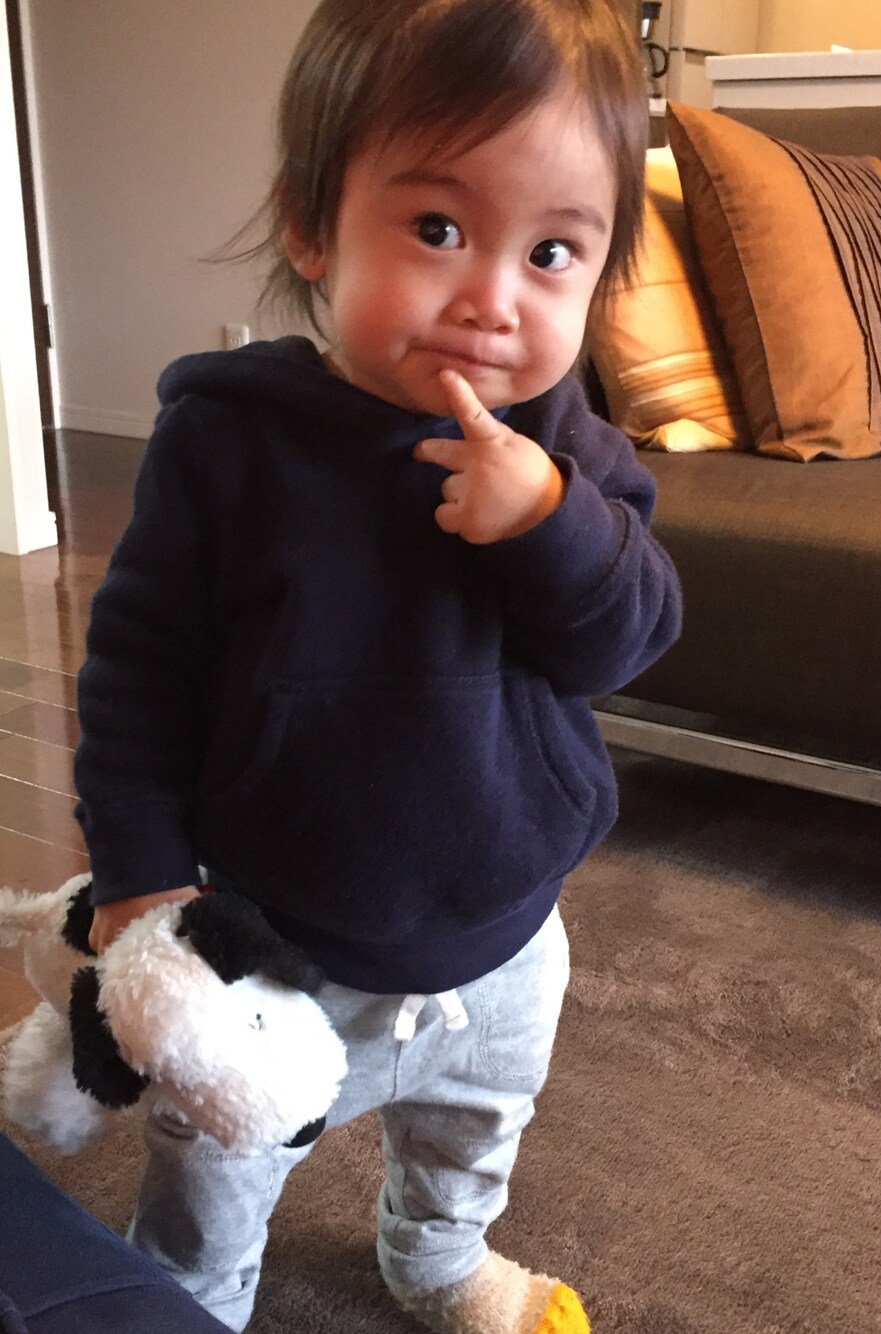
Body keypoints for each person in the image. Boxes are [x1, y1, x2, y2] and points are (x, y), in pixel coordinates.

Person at [73, 1, 682, 1331]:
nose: (493, 299)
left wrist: (552, 525)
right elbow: (135, 674)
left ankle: (438, 1254)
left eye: (553, 252)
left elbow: (631, 638)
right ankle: (187, 1297)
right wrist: (140, 877)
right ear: (313, 225)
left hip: (506, 926)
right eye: (440, 228)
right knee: (214, 1162)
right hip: (278, 938)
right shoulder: (229, 443)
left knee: (477, 1126)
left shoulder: (570, 454)